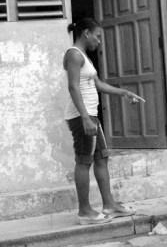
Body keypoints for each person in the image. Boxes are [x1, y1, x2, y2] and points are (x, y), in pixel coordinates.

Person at [63, 17, 145, 225]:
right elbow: (73, 87)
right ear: (86, 33)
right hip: (83, 116)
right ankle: (85, 212)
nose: (99, 41)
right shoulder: (73, 55)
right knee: (84, 161)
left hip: (91, 115)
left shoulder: (84, 57)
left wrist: (124, 92)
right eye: (97, 36)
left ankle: (109, 205)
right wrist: (84, 118)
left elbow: (97, 84)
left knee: (101, 158)